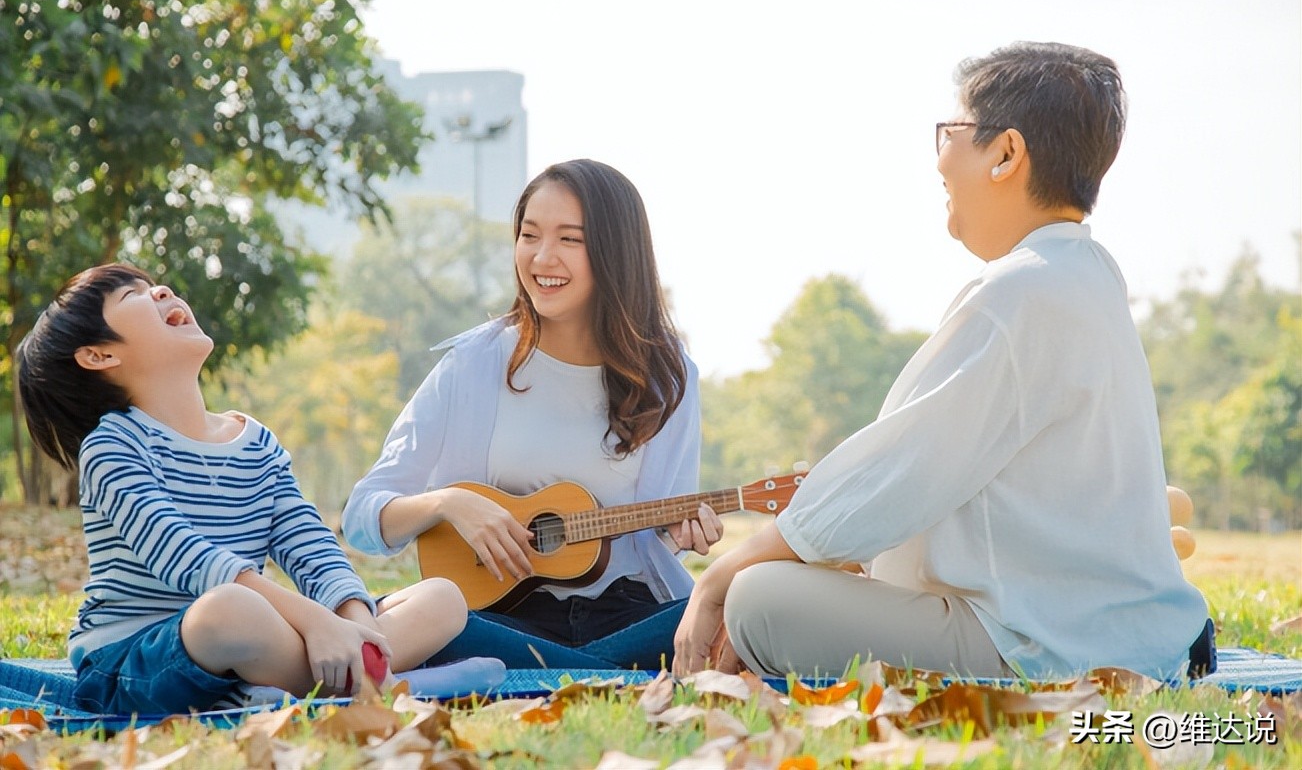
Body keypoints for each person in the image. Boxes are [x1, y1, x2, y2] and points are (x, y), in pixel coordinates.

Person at [673, 42, 1212, 682]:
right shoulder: (1087, 273)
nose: (940, 159)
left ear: (1005, 154)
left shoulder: (1020, 292)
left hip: (1039, 647)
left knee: (759, 599)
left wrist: (724, 574)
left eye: (951, 131)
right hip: (1103, 634)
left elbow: (900, 471)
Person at [15, 264, 467, 716]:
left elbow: (310, 546)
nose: (162, 291)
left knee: (442, 598)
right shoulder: (112, 447)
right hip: (136, 660)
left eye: (153, 286)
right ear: (99, 355)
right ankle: (366, 677)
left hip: (256, 639)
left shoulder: (256, 442)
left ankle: (340, 668)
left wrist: (355, 620)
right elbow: (188, 557)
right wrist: (314, 621)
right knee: (229, 611)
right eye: (133, 295)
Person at [343, 158, 723, 671]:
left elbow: (660, 537)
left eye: (570, 239)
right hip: (501, 618)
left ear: (616, 252)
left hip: (626, 613)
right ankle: (598, 673)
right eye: (529, 235)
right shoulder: (473, 365)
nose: (543, 257)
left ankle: (549, 670)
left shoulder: (670, 376)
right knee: (435, 618)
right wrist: (450, 503)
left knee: (735, 605)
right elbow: (362, 517)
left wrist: (678, 534)